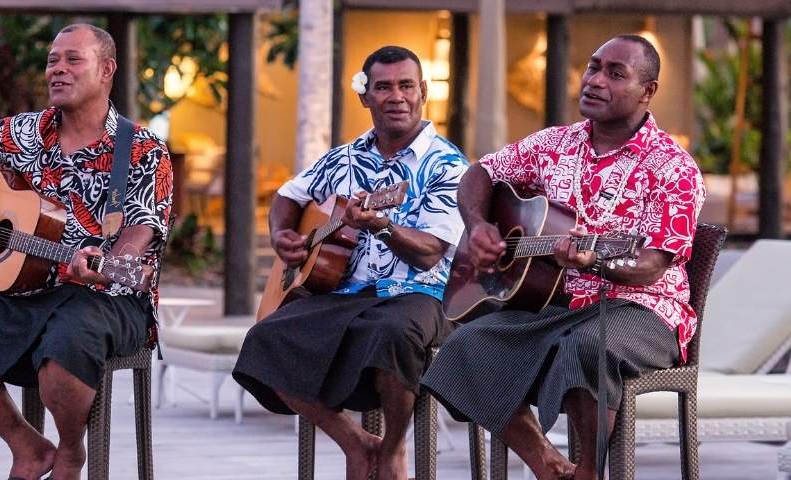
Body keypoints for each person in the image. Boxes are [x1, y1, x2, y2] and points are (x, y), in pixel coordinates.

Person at [421, 35, 705, 480]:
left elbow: (651, 264)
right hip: (553, 305)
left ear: (647, 91)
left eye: (615, 74)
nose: (594, 80)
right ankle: (549, 465)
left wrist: (594, 261)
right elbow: (482, 172)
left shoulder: (673, 168)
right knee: (461, 349)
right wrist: (478, 224)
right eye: (593, 67)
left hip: (644, 311)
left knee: (588, 347)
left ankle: (589, 472)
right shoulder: (554, 144)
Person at [0, 24, 173, 480]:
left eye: (73, 60)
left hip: (108, 298)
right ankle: (27, 445)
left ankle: (71, 452)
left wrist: (107, 267)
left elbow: (141, 228)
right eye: (53, 60)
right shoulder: (17, 133)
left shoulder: (143, 150)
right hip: (20, 294)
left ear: (106, 70)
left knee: (67, 343)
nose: (58, 70)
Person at [232, 46, 468, 480]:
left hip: (418, 294)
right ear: (366, 97)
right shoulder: (344, 158)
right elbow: (289, 195)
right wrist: (281, 234)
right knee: (263, 340)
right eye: (383, 87)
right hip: (341, 293)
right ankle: (356, 442)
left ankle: (394, 450)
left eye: (405, 86)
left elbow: (431, 250)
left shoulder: (447, 165)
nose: (395, 96)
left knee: (394, 332)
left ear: (423, 93)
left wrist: (381, 226)